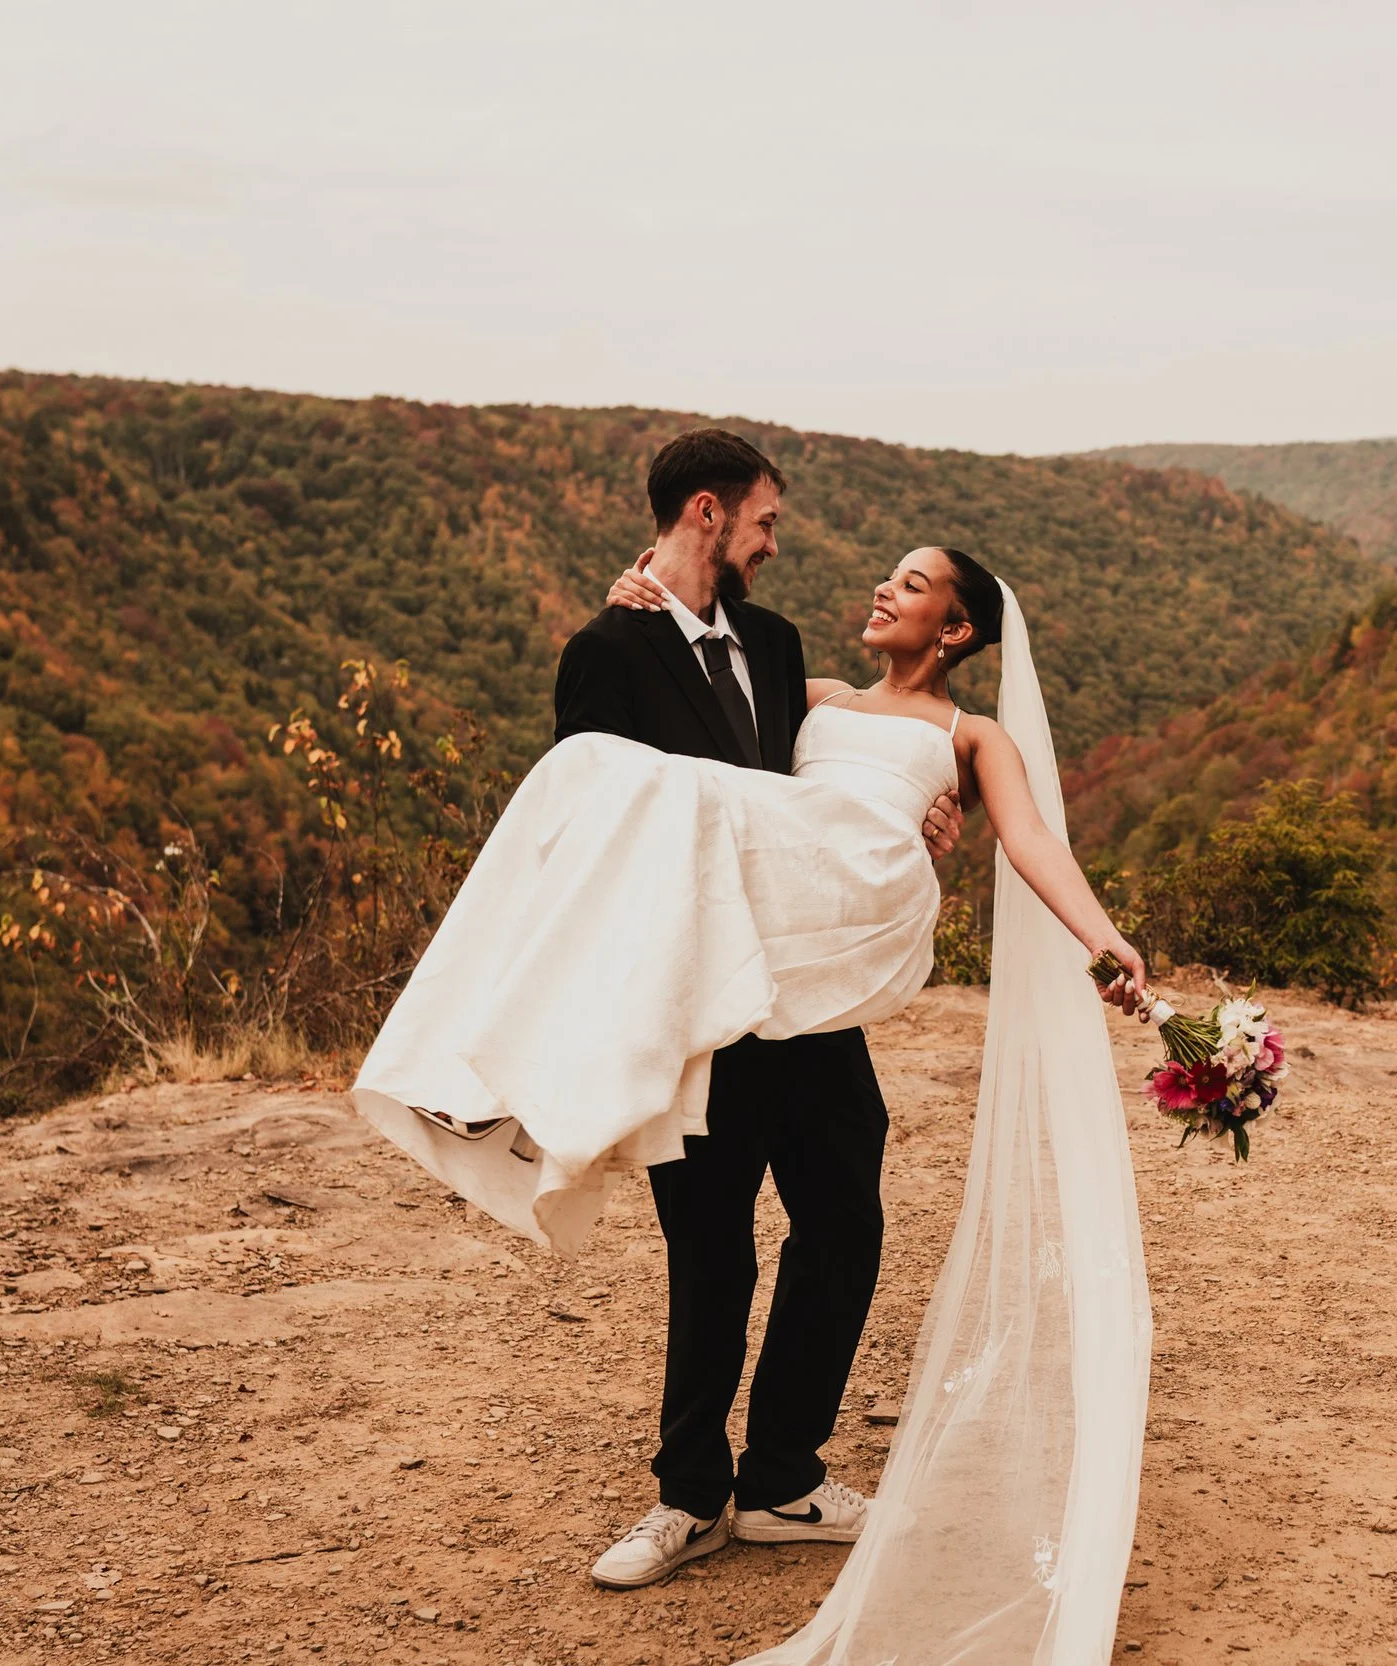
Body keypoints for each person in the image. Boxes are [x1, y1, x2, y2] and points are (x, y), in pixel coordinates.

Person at [350, 430, 1150, 1613]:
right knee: (709, 1251)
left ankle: (784, 1478)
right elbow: (595, 820)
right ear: (712, 514)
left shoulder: (782, 656)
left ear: (957, 627)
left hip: (818, 1009)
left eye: (910, 580)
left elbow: (869, 805)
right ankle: (688, 1492)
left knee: (844, 1230)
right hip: (708, 1014)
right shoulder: (609, 647)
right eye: (767, 521)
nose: (786, 546)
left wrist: (971, 857)